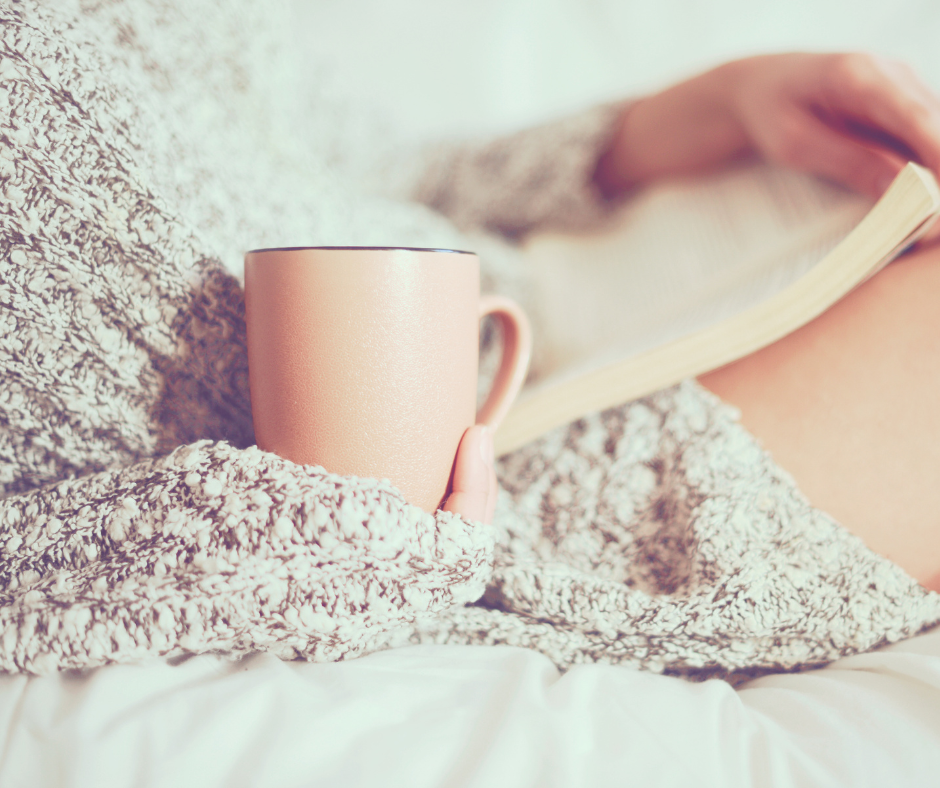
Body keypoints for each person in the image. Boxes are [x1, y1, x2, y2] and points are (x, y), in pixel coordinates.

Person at [2, 0, 940, 680]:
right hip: (469, 511)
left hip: (554, 299)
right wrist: (343, 536)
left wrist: (709, 107)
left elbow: (370, 172)